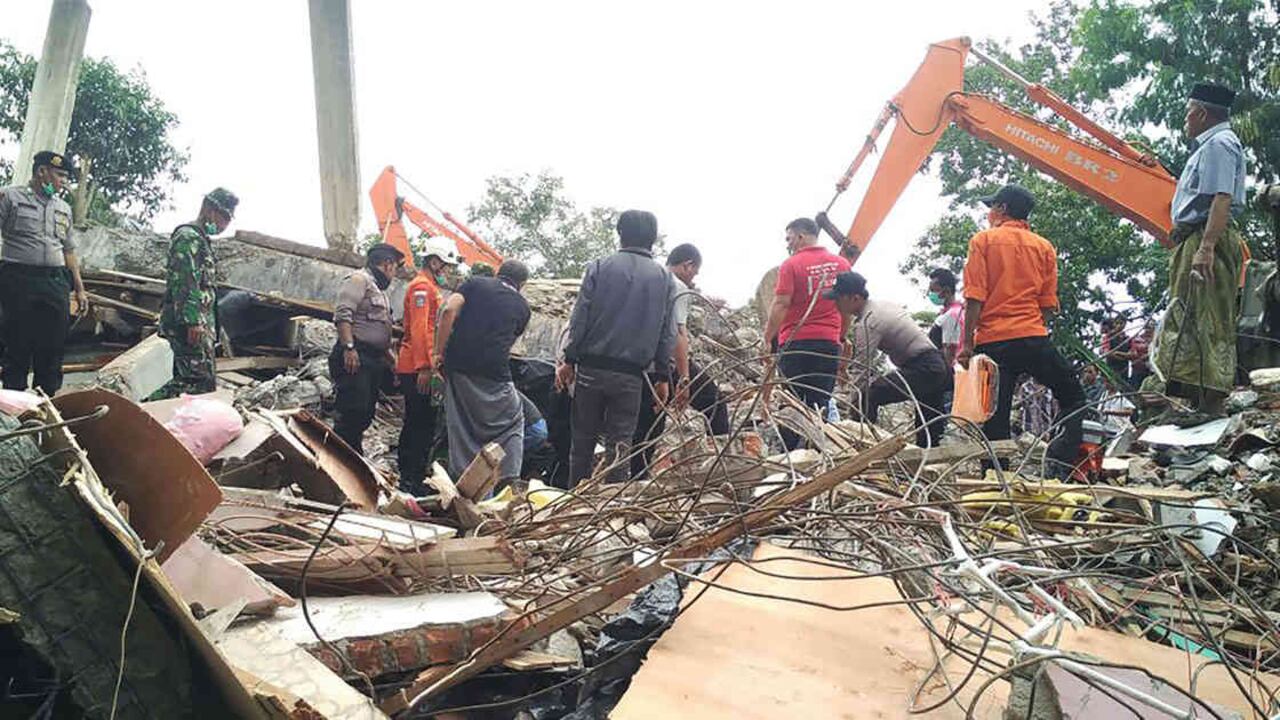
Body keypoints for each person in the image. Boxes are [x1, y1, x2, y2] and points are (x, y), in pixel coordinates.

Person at [958, 183, 1085, 478]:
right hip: (1032, 336)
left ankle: (995, 478)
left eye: (992, 206)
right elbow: (1048, 305)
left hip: (993, 342)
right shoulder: (1044, 247)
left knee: (995, 416)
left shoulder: (983, 241)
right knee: (1074, 396)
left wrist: (966, 345)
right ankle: (1060, 466)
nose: (989, 212)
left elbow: (974, 297)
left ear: (1002, 209)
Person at [557, 210, 678, 486]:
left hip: (591, 369)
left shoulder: (599, 266)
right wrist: (662, 375)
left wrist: (569, 359)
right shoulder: (664, 278)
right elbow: (667, 332)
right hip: (631, 376)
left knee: (582, 443)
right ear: (653, 238)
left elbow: (580, 317)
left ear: (620, 234)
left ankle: (575, 505)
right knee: (620, 446)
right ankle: (612, 514)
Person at [1150, 81, 1247, 417]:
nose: (1186, 120)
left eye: (1189, 113)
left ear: (1202, 113)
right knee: (1187, 314)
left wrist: (1206, 247)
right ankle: (1191, 400)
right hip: (1194, 236)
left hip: (1209, 237)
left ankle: (1212, 402)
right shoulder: (1209, 147)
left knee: (1209, 317)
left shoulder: (1220, 143)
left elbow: (1222, 197)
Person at [631, 243, 730, 479]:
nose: (694, 277)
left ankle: (637, 477)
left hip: (638, 361)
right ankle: (724, 467)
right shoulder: (676, 286)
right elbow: (678, 333)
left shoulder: (650, 279)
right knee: (715, 404)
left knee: (648, 422)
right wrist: (684, 377)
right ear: (687, 265)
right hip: (666, 362)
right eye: (694, 272)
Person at [436, 260, 532, 489]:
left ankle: (463, 486)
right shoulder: (523, 307)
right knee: (512, 421)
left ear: (498, 274)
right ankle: (507, 481)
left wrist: (438, 354)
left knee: (462, 424)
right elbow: (509, 343)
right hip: (495, 374)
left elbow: (448, 310)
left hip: (457, 366)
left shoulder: (474, 284)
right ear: (521, 284)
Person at [0, 151, 88, 394]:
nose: (63, 182)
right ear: (41, 172)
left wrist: (79, 289)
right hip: (17, 279)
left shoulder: (63, 208)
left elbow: (69, 250)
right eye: (59, 175)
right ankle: (14, 406)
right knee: (16, 342)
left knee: (53, 343)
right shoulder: (10, 197)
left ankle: (46, 402)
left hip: (55, 281)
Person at [828, 272, 950, 448]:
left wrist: (853, 404)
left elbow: (862, 369)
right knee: (927, 425)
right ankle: (930, 463)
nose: (835, 303)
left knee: (868, 395)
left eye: (838, 298)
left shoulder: (868, 322)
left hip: (924, 367)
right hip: (936, 365)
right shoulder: (882, 305)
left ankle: (863, 443)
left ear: (854, 298)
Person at [762, 217, 850, 449]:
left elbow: (780, 303)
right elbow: (847, 307)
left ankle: (789, 457)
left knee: (792, 402)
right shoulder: (841, 265)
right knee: (820, 401)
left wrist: (767, 337)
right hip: (828, 345)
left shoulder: (791, 265)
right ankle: (821, 455)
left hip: (795, 344)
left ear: (801, 236)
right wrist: (841, 338)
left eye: (789, 238)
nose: (788, 244)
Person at [154, 188, 238, 399]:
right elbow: (185, 281)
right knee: (189, 383)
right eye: (224, 217)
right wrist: (192, 322)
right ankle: (143, 412)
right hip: (188, 327)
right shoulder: (188, 237)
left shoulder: (201, 239)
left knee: (201, 383)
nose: (225, 224)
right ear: (209, 209)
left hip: (199, 326)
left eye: (228, 219)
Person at [393, 237, 457, 495]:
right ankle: (410, 479)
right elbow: (421, 331)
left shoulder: (429, 288)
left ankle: (412, 476)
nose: (448, 272)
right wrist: (425, 367)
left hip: (422, 365)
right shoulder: (422, 289)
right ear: (434, 262)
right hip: (418, 368)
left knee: (421, 422)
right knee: (419, 423)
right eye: (446, 266)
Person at [331, 243, 403, 454]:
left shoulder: (379, 292)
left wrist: (393, 362)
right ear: (387, 264)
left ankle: (351, 456)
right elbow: (343, 314)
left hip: (373, 359)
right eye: (395, 268)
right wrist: (349, 348)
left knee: (365, 413)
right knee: (353, 410)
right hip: (355, 356)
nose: (394, 273)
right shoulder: (358, 280)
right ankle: (340, 457)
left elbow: (380, 334)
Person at [927, 268, 964, 367]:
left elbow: (950, 350)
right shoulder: (951, 312)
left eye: (933, 290)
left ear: (946, 291)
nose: (930, 294)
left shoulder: (952, 315)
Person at [1099, 314, 1132, 385]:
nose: (1119, 325)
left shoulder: (1127, 338)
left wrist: (1117, 353)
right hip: (1110, 369)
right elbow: (1106, 352)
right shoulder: (1108, 337)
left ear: (1125, 325)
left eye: (1121, 323)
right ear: (1114, 323)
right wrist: (1124, 356)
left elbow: (1132, 354)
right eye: (1117, 323)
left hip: (1124, 370)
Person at [1128, 319, 1155, 390]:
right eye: (1147, 327)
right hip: (1138, 369)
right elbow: (1132, 352)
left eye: (1150, 327)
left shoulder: (1158, 339)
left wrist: (1147, 356)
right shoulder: (1137, 338)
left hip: (1153, 370)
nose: (1148, 329)